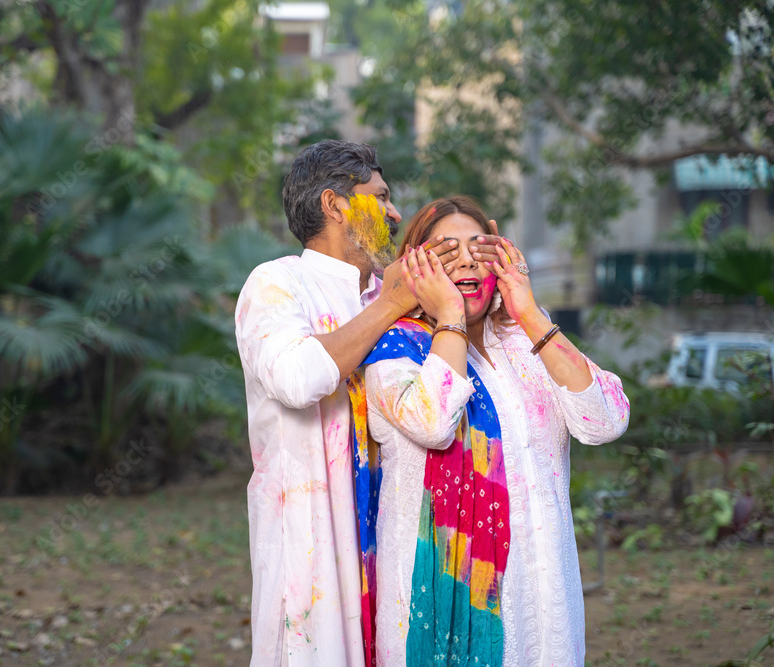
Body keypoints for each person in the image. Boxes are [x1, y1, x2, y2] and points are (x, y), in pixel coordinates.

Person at [235, 144, 504, 666]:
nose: (395, 213)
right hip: (315, 544)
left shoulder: (391, 293)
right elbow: (296, 378)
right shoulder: (277, 284)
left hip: (397, 548)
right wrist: (392, 304)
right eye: (381, 197)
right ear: (335, 205)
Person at [350, 196, 630, 666]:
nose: (465, 262)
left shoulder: (526, 343)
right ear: (416, 267)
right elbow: (434, 422)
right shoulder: (394, 351)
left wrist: (528, 310)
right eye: (445, 253)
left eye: (478, 250)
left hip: (543, 598)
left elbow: (605, 422)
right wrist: (450, 318)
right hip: (439, 604)